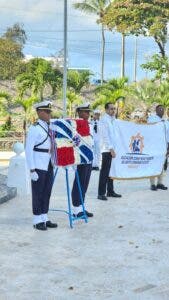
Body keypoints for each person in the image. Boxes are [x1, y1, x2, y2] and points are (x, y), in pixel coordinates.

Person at [25, 100, 58, 230]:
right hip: (38, 165)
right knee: (38, 192)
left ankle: (44, 216)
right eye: (47, 111)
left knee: (47, 192)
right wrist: (32, 169)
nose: (49, 114)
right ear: (39, 112)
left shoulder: (48, 126)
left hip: (48, 163)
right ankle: (37, 219)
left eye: (50, 111)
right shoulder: (34, 128)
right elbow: (28, 150)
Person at [71, 103, 93, 218]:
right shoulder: (75, 124)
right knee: (79, 183)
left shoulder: (88, 123)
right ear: (79, 112)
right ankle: (76, 209)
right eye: (86, 111)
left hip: (88, 157)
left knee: (85, 183)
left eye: (88, 112)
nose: (88, 114)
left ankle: (81, 207)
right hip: (80, 158)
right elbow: (74, 141)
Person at [97, 102, 121, 201]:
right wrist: (110, 149)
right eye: (111, 109)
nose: (113, 110)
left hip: (113, 149)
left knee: (111, 171)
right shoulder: (104, 120)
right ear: (106, 110)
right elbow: (105, 136)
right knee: (105, 171)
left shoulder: (114, 120)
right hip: (106, 149)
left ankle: (110, 191)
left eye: (114, 109)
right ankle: (101, 193)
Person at [147, 104, 168, 191]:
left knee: (161, 165)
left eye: (163, 110)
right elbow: (149, 131)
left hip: (163, 146)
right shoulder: (151, 119)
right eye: (160, 109)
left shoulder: (166, 121)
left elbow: (167, 134)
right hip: (153, 146)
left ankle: (160, 183)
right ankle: (152, 184)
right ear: (156, 111)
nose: (162, 111)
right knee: (153, 164)